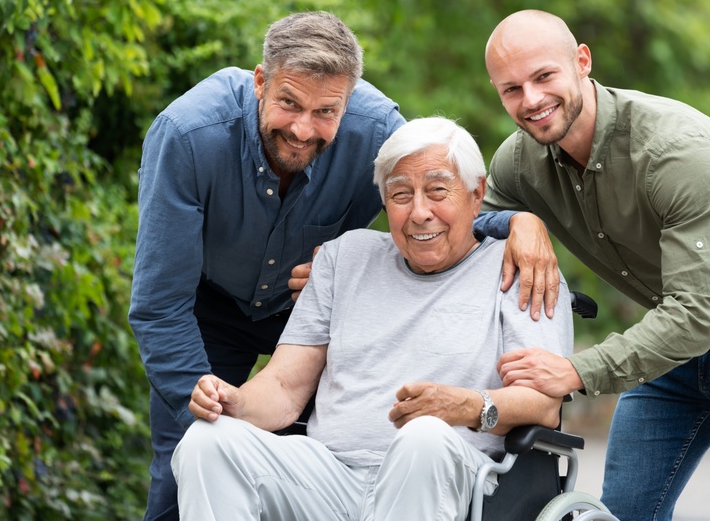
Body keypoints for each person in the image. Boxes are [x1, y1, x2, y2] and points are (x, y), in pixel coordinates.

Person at [128, 11, 555, 520]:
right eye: (288, 103)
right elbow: (159, 304)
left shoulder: (377, 131)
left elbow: (440, 197)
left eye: (327, 111)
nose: (304, 128)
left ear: (348, 101)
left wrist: (516, 223)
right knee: (191, 452)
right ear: (261, 82)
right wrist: (208, 400)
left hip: (305, 310)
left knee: (384, 441)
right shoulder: (189, 134)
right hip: (211, 308)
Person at [171, 117, 574, 520]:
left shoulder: (522, 268)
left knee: (425, 435)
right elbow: (284, 386)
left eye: (437, 190)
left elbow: (542, 404)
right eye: (400, 194)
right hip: (328, 476)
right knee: (209, 441)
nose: (419, 212)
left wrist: (466, 405)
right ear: (384, 202)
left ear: (476, 194)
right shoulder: (344, 257)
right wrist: (236, 401)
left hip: (451, 479)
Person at [482, 9, 710, 520]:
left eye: (544, 76)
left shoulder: (677, 153)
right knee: (624, 511)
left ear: (582, 62)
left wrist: (575, 369)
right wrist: (516, 222)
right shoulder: (519, 164)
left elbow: (694, 316)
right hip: (676, 353)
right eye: (511, 89)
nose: (530, 100)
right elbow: (464, 232)